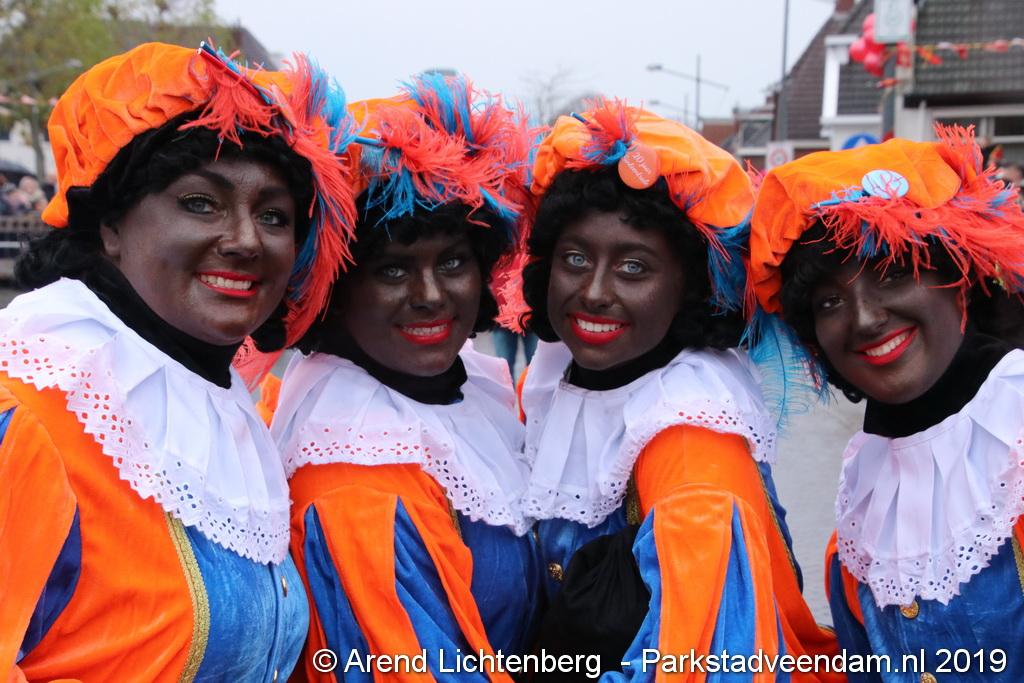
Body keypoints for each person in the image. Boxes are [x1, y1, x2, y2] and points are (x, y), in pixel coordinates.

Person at [0, 42, 357, 681]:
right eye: (200, 203)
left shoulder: (236, 416)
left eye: (273, 215)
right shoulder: (27, 416)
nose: (246, 240)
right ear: (111, 224)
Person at [517, 102, 841, 680]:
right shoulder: (551, 383)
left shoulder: (693, 441)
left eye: (633, 268)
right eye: (575, 258)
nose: (594, 291)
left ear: (688, 287)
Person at [269, 74, 540, 680]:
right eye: (392, 270)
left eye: (453, 262)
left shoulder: (467, 392)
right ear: (335, 287)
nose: (431, 295)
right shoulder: (356, 463)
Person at [747, 126, 1024, 681]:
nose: (866, 318)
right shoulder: (866, 492)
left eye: (893, 274)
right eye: (830, 301)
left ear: (958, 275)